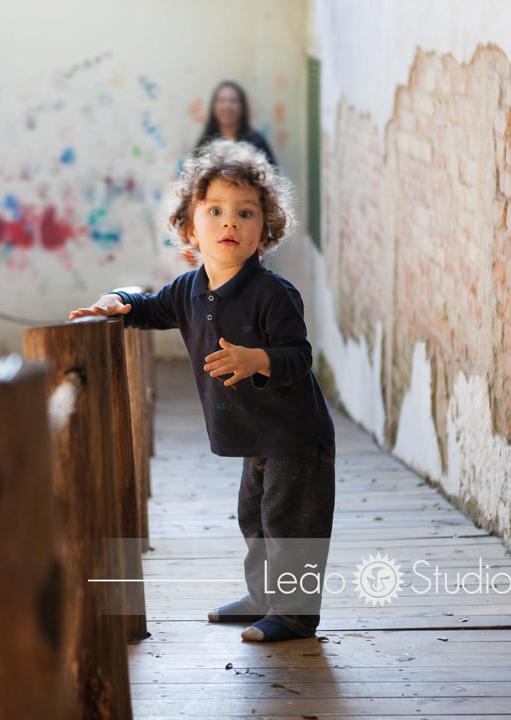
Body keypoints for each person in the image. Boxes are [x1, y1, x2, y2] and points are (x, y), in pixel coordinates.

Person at [70, 140, 335, 643]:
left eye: (245, 212)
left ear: (266, 230)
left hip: (297, 437)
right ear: (191, 227)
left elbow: (299, 358)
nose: (230, 222)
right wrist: (117, 301)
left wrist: (258, 359)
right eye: (214, 210)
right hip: (255, 436)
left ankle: (295, 614)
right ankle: (263, 598)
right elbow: (147, 308)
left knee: (288, 524)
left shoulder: (273, 295)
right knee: (254, 518)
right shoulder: (190, 289)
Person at [194, 81, 277, 167]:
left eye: (233, 101)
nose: (227, 106)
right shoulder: (205, 143)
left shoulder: (256, 142)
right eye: (221, 101)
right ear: (214, 107)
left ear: (242, 107)